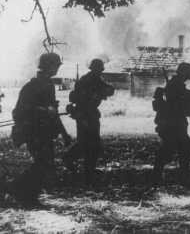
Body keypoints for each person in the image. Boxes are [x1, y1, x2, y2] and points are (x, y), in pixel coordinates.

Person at [6, 52, 71, 206]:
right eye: (55, 65)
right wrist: (43, 110)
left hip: (45, 133)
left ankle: (26, 194)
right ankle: (15, 189)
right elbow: (18, 112)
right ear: (48, 66)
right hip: (33, 133)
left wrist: (64, 133)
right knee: (43, 163)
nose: (57, 69)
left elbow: (53, 113)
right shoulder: (31, 87)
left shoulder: (48, 85)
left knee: (45, 164)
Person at [63, 58, 114, 185]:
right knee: (88, 143)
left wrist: (103, 92)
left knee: (91, 144)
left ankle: (87, 170)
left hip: (90, 114)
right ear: (94, 69)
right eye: (99, 69)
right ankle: (73, 161)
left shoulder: (96, 80)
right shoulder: (86, 80)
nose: (100, 71)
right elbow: (79, 98)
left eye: (101, 69)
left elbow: (109, 89)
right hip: (84, 114)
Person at [152, 62, 190, 185]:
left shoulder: (177, 84)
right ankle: (160, 176)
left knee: (181, 149)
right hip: (172, 123)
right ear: (185, 72)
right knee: (174, 149)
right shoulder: (175, 84)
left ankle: (163, 175)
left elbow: (181, 102)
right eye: (189, 72)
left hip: (176, 122)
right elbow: (179, 102)